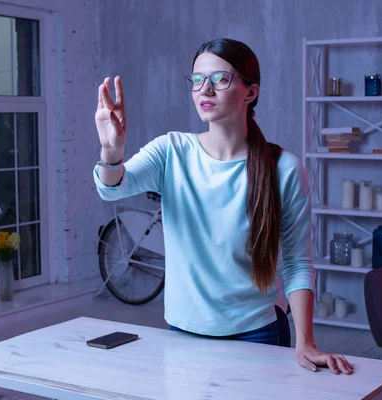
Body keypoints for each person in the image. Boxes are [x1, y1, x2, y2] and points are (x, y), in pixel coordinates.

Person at [93, 38, 353, 375]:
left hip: (258, 334)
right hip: (183, 333)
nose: (206, 90)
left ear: (251, 92)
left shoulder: (284, 168)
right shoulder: (171, 151)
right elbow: (113, 189)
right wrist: (111, 152)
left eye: (220, 79)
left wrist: (307, 342)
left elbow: (297, 263)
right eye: (198, 80)